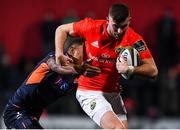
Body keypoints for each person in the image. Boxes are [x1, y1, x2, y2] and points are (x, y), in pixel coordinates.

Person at [55, 3, 158, 129]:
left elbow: (153, 71)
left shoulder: (134, 39)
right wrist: (59, 53)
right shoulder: (91, 27)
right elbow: (61, 29)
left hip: (113, 93)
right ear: (108, 19)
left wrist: (130, 69)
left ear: (129, 21)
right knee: (117, 128)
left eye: (124, 26)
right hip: (89, 92)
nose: (119, 31)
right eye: (115, 27)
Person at [3, 37, 101, 129]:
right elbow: (56, 67)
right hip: (16, 111)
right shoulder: (54, 58)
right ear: (71, 50)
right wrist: (77, 70)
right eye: (85, 52)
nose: (88, 56)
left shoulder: (77, 77)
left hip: (33, 116)